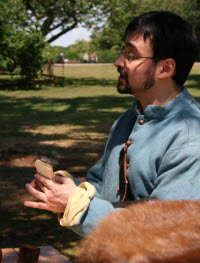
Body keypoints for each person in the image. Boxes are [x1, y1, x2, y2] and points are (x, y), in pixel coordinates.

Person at [25, 11, 200, 237]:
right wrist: (66, 190)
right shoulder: (129, 119)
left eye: (131, 54)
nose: (118, 62)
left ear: (164, 68)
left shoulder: (189, 139)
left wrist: (81, 208)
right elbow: (104, 189)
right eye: (122, 51)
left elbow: (165, 231)